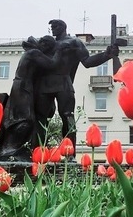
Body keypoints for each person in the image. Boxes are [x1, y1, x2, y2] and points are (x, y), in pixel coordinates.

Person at [32, 19, 119, 152]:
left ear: (63, 27)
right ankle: (37, 152)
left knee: (68, 116)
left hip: (63, 83)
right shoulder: (47, 43)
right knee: (40, 118)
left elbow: (88, 62)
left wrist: (107, 55)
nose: (53, 29)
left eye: (55, 26)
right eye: (52, 27)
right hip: (45, 84)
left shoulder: (74, 42)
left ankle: (69, 152)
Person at [0, 35, 59, 161]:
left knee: (24, 119)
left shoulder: (34, 53)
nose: (47, 51)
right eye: (48, 48)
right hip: (22, 87)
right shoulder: (34, 53)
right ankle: (8, 149)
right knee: (24, 119)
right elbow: (52, 65)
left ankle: (10, 148)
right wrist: (61, 53)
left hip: (25, 86)